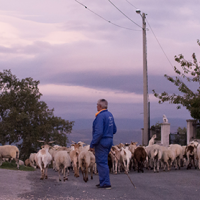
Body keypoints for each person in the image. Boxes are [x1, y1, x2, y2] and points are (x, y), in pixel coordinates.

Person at [89, 99, 117, 189]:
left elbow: (99, 132)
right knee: (103, 161)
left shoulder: (100, 116)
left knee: (101, 162)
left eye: (97, 105)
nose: (96, 106)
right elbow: (114, 130)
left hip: (102, 142)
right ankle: (103, 181)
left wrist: (92, 144)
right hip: (109, 141)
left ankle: (105, 183)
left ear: (100, 106)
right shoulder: (110, 115)